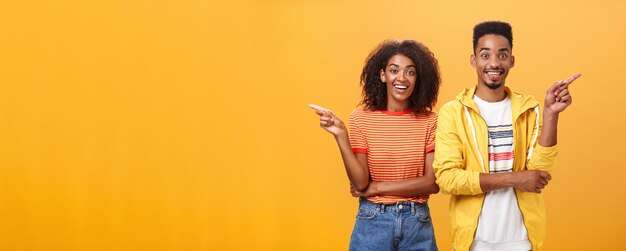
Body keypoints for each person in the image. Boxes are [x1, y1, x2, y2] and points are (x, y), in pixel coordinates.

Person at [432, 21, 580, 251]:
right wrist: (513, 178)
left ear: (512, 60)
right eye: (485, 55)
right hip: (473, 242)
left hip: (522, 241)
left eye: (502, 55)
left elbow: (540, 170)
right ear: (473, 60)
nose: (494, 63)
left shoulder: (528, 109)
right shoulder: (453, 112)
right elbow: (447, 178)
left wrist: (551, 114)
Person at [310, 39, 441, 250]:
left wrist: (377, 187)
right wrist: (341, 134)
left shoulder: (431, 120)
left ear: (418, 78)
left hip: (417, 222)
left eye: (410, 72)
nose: (401, 78)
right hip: (373, 220)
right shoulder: (361, 118)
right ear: (382, 75)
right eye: (394, 70)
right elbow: (360, 184)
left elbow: (431, 183)